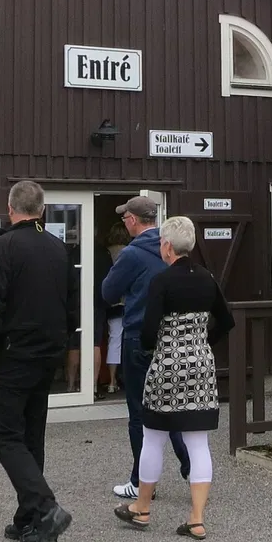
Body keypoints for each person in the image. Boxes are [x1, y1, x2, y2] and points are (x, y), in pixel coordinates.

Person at [0, 180, 76, 542]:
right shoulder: (57, 246)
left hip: (13, 353)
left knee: (4, 434)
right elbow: (70, 301)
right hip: (47, 352)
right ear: (43, 210)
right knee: (32, 434)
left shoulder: (4, 246)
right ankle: (28, 518)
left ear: (10, 208)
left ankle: (46, 508)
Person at [114, 216, 234, 538]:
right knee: (198, 442)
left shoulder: (162, 282)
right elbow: (226, 321)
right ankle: (196, 518)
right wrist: (203, 341)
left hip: (168, 364)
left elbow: (149, 331)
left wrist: (156, 344)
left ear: (167, 246)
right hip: (200, 364)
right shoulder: (207, 279)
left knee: (153, 436)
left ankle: (142, 507)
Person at [101, 195, 190, 499]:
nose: (124, 222)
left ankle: (141, 483)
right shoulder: (172, 250)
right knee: (173, 408)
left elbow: (107, 291)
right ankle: (192, 470)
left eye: (125, 217)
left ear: (134, 221)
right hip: (172, 337)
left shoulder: (131, 254)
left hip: (139, 336)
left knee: (140, 414)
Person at [96, 221, 129, 397]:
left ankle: (111, 381)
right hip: (129, 301)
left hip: (113, 302)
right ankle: (127, 378)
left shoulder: (107, 252)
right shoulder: (130, 251)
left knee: (114, 341)